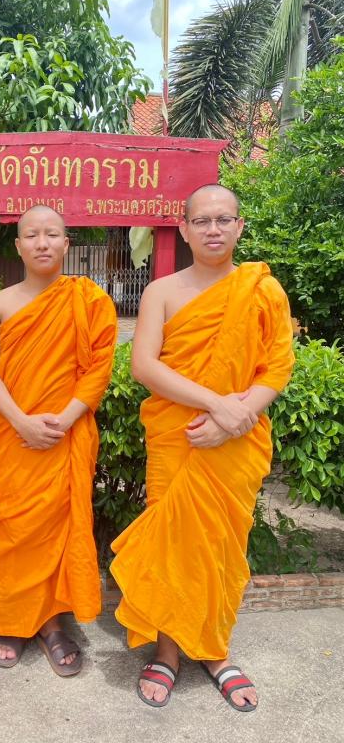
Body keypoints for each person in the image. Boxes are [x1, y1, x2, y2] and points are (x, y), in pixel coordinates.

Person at [110, 184, 294, 712]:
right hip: (178, 438)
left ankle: (214, 650)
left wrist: (236, 419)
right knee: (174, 544)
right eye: (202, 221)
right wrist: (220, 406)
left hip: (235, 441)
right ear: (184, 228)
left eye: (223, 220)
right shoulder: (161, 292)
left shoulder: (263, 290)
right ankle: (167, 653)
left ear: (239, 227)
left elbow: (277, 367)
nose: (213, 229)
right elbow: (144, 366)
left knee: (220, 545)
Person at [0, 205, 117, 676]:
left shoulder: (88, 300)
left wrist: (64, 418)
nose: (41, 242)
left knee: (59, 530)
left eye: (51, 234)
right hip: (11, 433)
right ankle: (9, 622)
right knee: (12, 528)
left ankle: (53, 624)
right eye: (31, 235)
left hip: (65, 431)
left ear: (65, 244)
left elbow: (99, 368)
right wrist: (21, 422)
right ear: (17, 245)